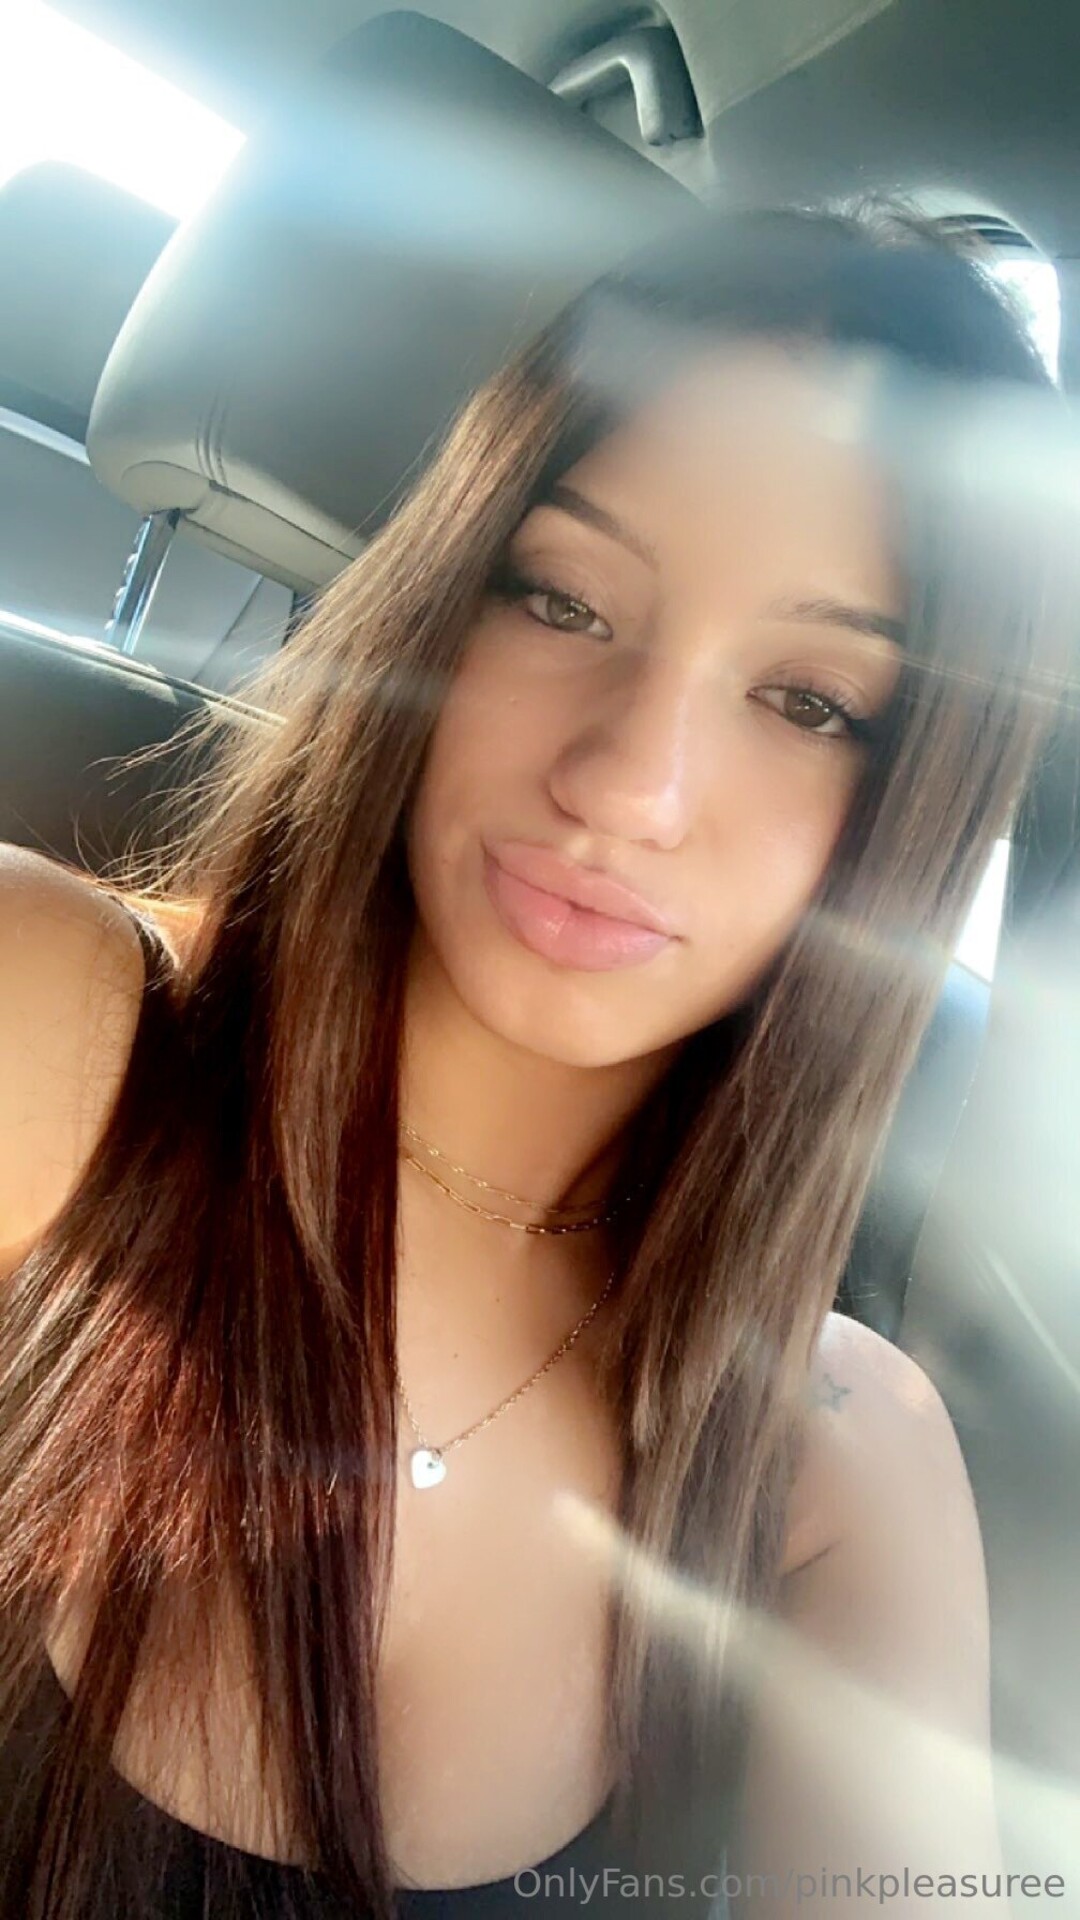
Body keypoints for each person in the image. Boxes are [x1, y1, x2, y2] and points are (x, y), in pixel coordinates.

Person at [0, 206, 1071, 1919]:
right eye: (563, 599)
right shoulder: (48, 1014)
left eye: (810, 702)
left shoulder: (838, 1467)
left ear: (916, 807)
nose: (630, 784)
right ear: (446, 600)